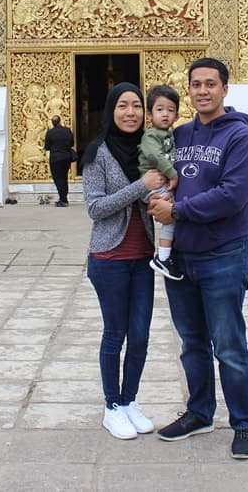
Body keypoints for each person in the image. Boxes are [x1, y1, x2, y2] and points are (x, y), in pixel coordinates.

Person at [148, 57, 248, 460]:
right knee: (191, 342)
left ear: (224, 89)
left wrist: (177, 211)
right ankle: (199, 412)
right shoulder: (179, 134)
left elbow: (233, 195)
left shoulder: (241, 139)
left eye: (210, 84)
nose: (202, 91)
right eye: (195, 84)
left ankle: (245, 423)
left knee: (229, 345)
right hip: (180, 256)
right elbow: (156, 169)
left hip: (223, 255)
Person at [81, 83, 167, 440]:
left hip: (141, 258)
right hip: (109, 258)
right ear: (110, 110)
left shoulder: (150, 150)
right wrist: (141, 185)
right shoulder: (96, 153)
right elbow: (95, 207)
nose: (130, 112)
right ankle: (111, 406)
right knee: (115, 334)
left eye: (135, 106)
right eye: (122, 106)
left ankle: (130, 400)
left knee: (142, 335)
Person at [138, 85, 183, 281]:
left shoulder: (172, 135)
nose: (165, 114)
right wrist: (172, 174)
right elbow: (154, 155)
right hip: (153, 183)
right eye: (159, 109)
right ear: (149, 114)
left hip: (162, 182)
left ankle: (167, 254)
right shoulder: (151, 135)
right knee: (171, 214)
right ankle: (163, 258)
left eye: (170, 110)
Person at [44, 115, 75, 206]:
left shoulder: (50, 132)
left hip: (55, 158)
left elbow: (47, 147)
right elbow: (72, 143)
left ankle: (63, 199)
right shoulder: (67, 131)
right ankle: (64, 198)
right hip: (66, 157)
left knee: (58, 179)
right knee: (64, 177)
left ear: (53, 123)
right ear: (60, 121)